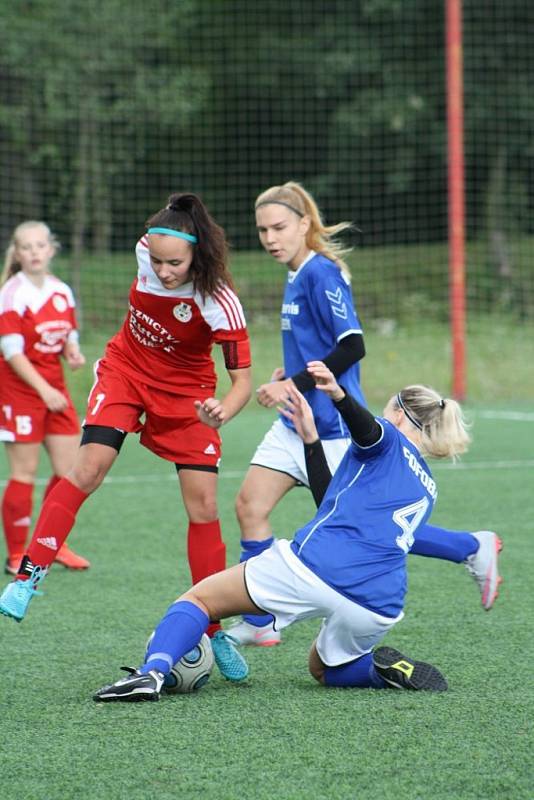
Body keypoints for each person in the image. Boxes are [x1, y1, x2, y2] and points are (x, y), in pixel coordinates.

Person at [91, 363, 471, 702]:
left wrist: (338, 395)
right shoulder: (426, 485)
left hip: (318, 568)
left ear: (401, 416)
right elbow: (328, 502)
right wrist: (310, 440)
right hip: (379, 604)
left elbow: (367, 428)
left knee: (199, 600)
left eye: (387, 409)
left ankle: (152, 672)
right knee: (325, 671)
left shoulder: (386, 437)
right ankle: (380, 671)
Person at [228, 181, 502, 647]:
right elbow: (318, 346)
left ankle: (471, 547)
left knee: (360, 528)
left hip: (332, 424)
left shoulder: (321, 273)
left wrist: (288, 384)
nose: (270, 238)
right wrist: (290, 373)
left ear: (304, 224)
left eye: (279, 227)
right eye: (262, 230)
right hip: (295, 418)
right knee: (249, 506)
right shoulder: (294, 274)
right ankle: (259, 623)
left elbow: (353, 346)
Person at [0, 193, 252, 681]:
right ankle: (29, 576)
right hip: (126, 373)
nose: (162, 270)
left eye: (174, 262)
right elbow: (164, 227)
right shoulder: (146, 252)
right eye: (155, 260)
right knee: (87, 468)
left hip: (188, 396)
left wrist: (223, 409)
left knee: (202, 507)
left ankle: (215, 628)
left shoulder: (218, 300)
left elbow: (241, 380)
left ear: (198, 254)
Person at [0, 221, 89, 576]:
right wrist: (44, 390)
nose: (35, 252)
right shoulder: (11, 293)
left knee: (70, 471)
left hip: (54, 389)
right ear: (17, 254)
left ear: (52, 249)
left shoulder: (61, 290)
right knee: (24, 471)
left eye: (41, 245)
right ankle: (17, 553)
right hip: (21, 390)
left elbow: (68, 333)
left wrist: (73, 353)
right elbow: (12, 353)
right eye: (27, 247)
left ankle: (53, 544)